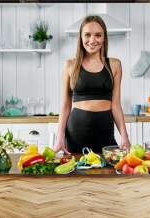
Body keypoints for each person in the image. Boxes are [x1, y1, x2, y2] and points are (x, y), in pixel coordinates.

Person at [53, 15, 130, 154]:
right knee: (78, 174)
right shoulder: (70, 65)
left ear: (104, 38)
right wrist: (60, 137)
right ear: (81, 37)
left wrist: (124, 136)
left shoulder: (114, 65)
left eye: (98, 35)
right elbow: (65, 105)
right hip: (76, 134)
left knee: (108, 174)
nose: (92, 40)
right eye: (87, 35)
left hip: (105, 133)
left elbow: (116, 104)